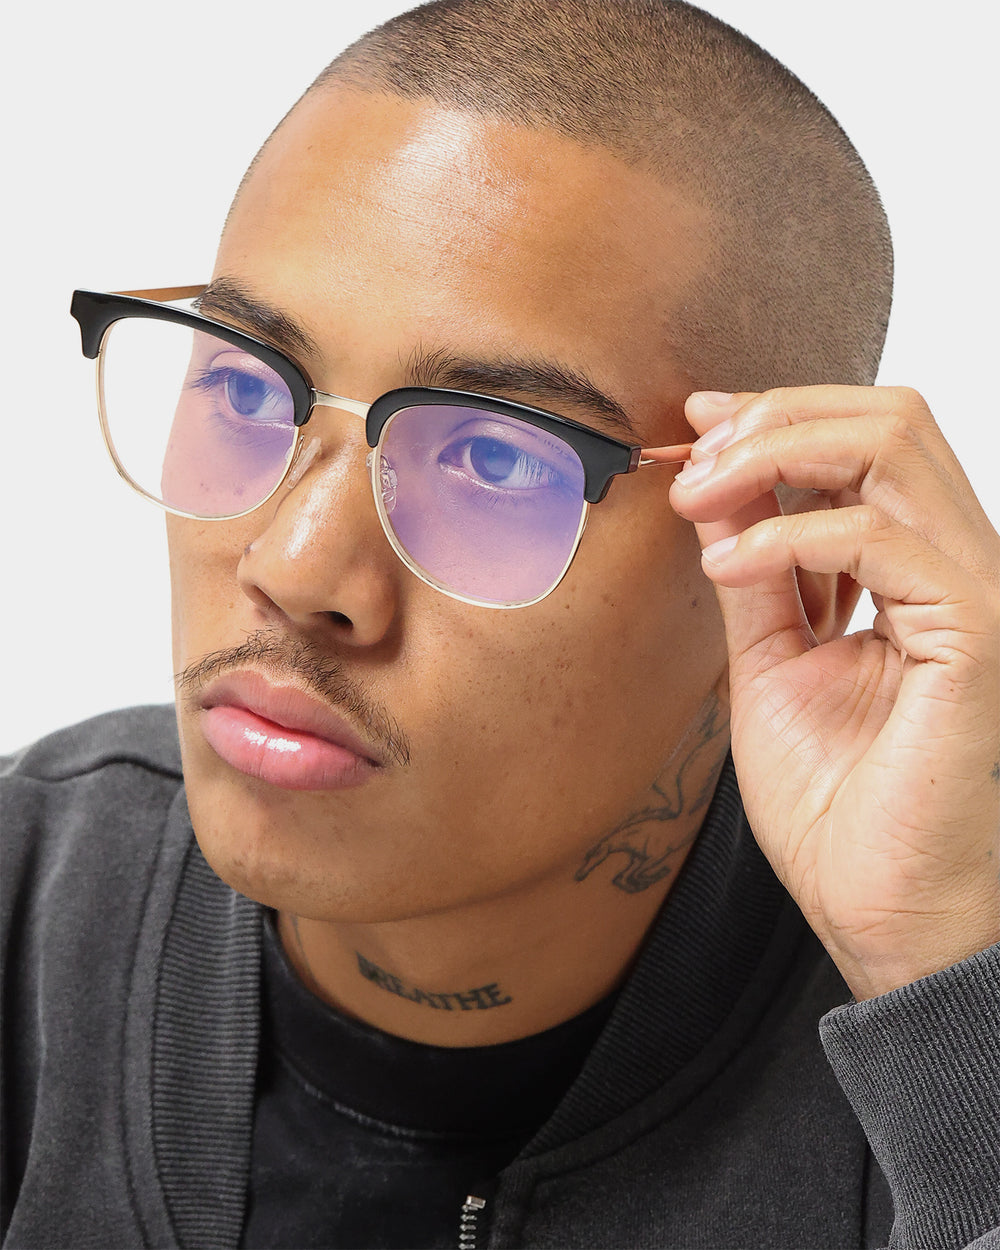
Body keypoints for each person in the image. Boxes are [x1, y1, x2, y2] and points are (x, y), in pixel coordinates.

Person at [2, 0, 998, 1246]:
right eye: (249, 387)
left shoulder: (940, 1017)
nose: (296, 568)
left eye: (492, 456)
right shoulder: (25, 898)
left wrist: (945, 994)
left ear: (786, 567)